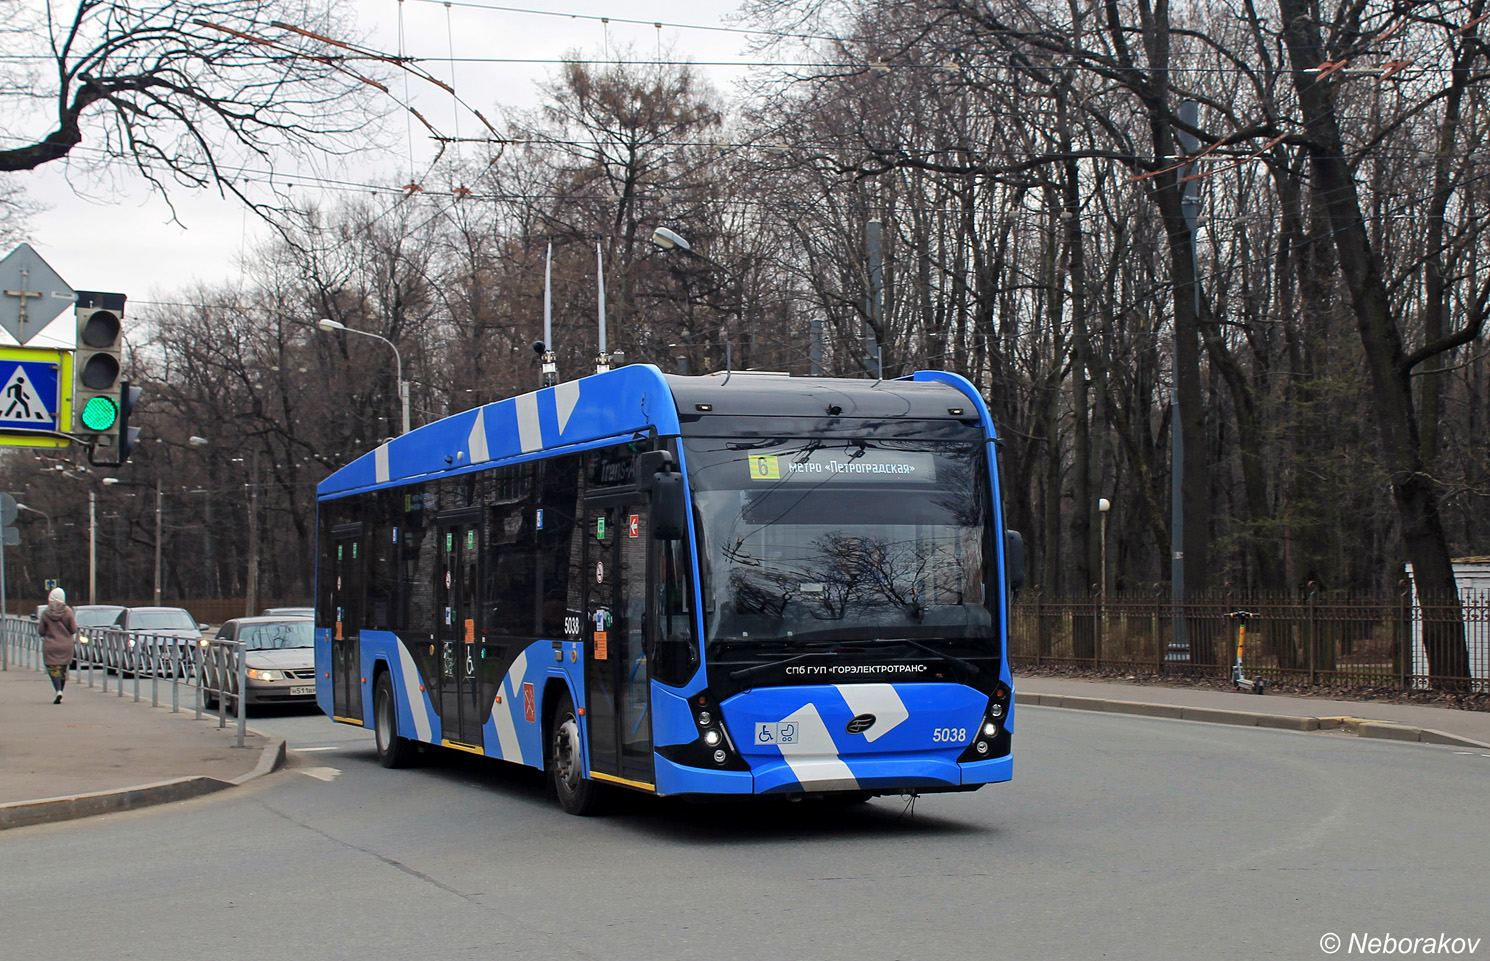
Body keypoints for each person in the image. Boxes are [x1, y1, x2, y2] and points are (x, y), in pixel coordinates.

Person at [37, 587, 78, 705]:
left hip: (50, 645)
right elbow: (73, 629)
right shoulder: (68, 612)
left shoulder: (46, 612)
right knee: (63, 668)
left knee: (52, 668)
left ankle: (58, 690)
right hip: (66, 645)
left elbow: (41, 630)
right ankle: (60, 690)